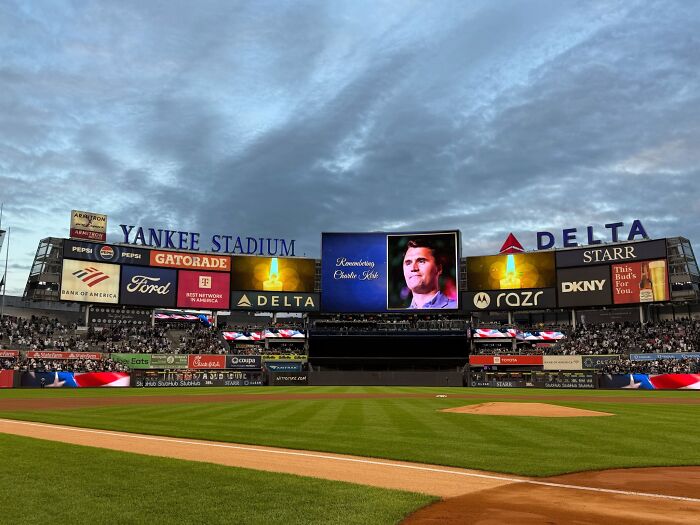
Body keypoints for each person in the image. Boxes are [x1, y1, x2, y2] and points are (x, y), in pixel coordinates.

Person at [402, 238, 457, 309]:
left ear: (439, 268)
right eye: (408, 263)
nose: (413, 268)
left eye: (421, 261)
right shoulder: (401, 315)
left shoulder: (455, 308)